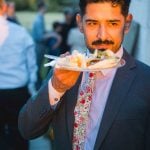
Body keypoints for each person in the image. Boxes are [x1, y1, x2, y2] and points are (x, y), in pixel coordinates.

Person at [18, 0, 150, 150]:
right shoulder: (64, 69)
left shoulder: (146, 80)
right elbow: (27, 129)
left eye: (112, 23)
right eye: (92, 23)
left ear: (127, 24)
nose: (102, 35)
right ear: (80, 23)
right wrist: (56, 87)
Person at [0, 0, 37, 149]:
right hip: (17, 91)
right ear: (4, 7)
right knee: (19, 132)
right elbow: (32, 63)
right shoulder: (20, 32)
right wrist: (32, 87)